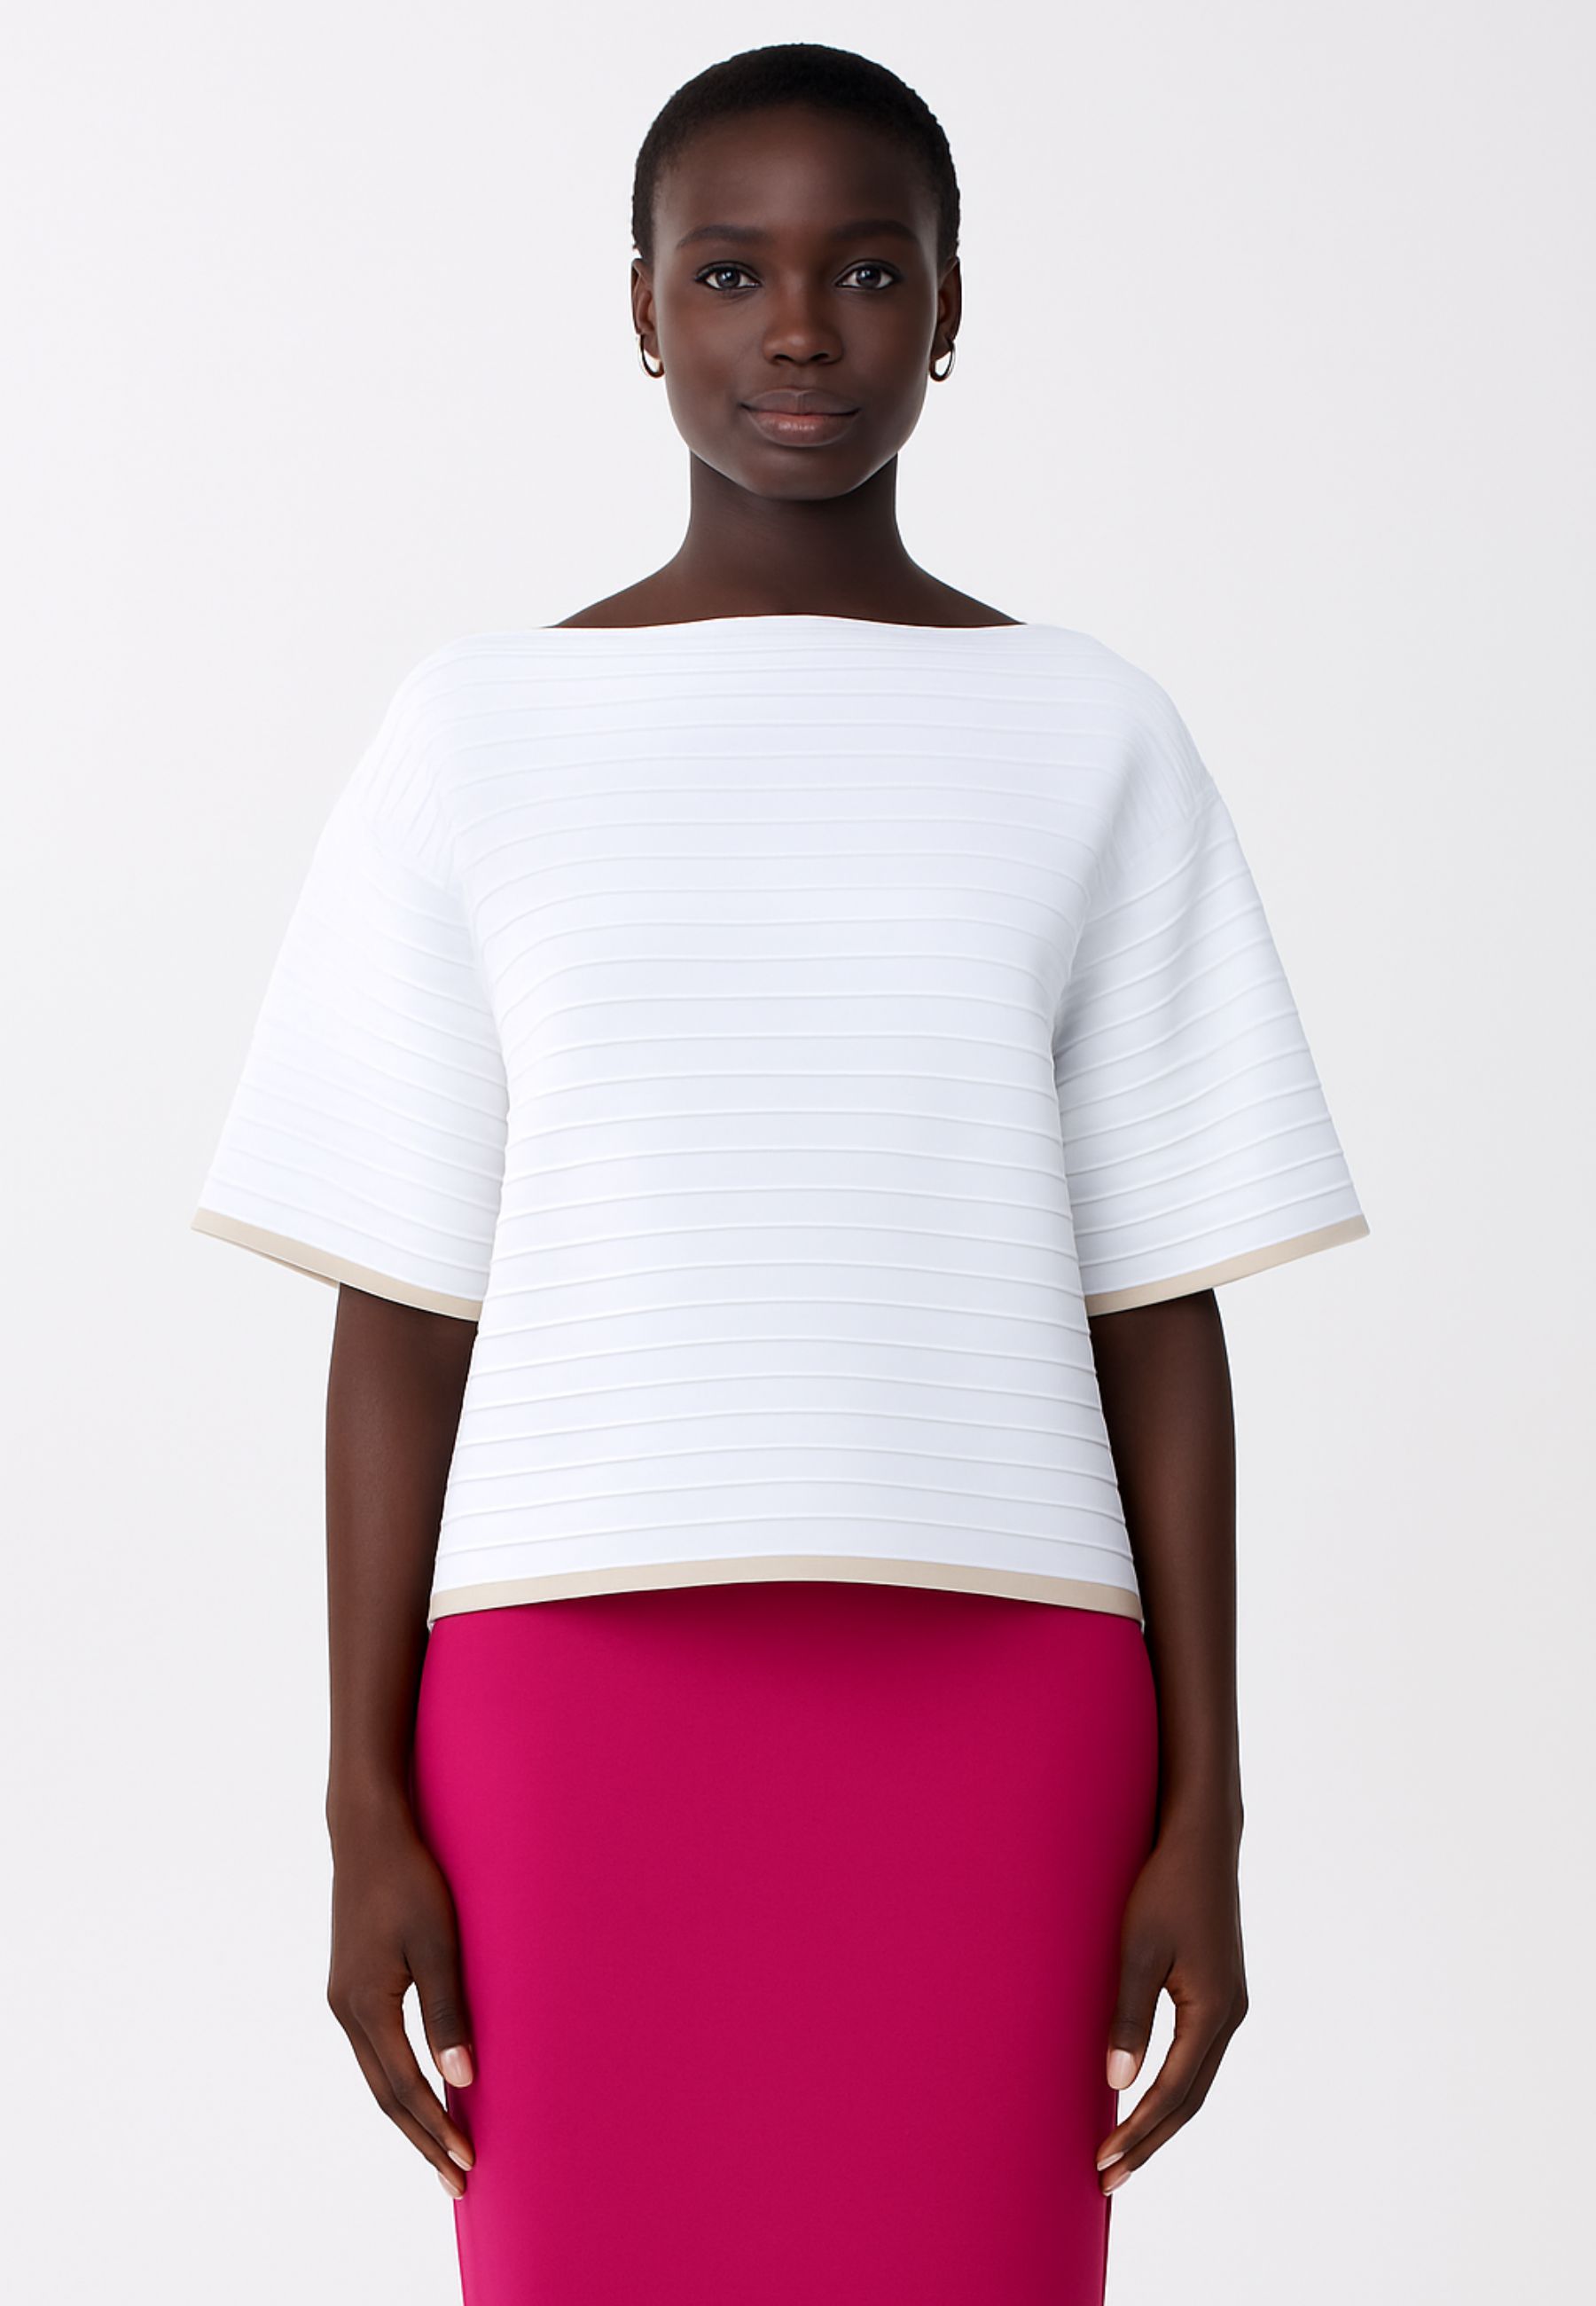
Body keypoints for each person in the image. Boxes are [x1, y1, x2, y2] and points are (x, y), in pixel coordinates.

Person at [191, 41, 1369, 2306]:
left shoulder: (1092, 730)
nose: (802, 331)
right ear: (640, 308)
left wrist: (1206, 1810)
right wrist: (361, 1802)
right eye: (731, 271)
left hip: (1008, 1698)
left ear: (952, 305)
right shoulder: (474, 730)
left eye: (868, 269)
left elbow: (1158, 1310)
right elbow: (402, 1311)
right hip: (564, 1701)